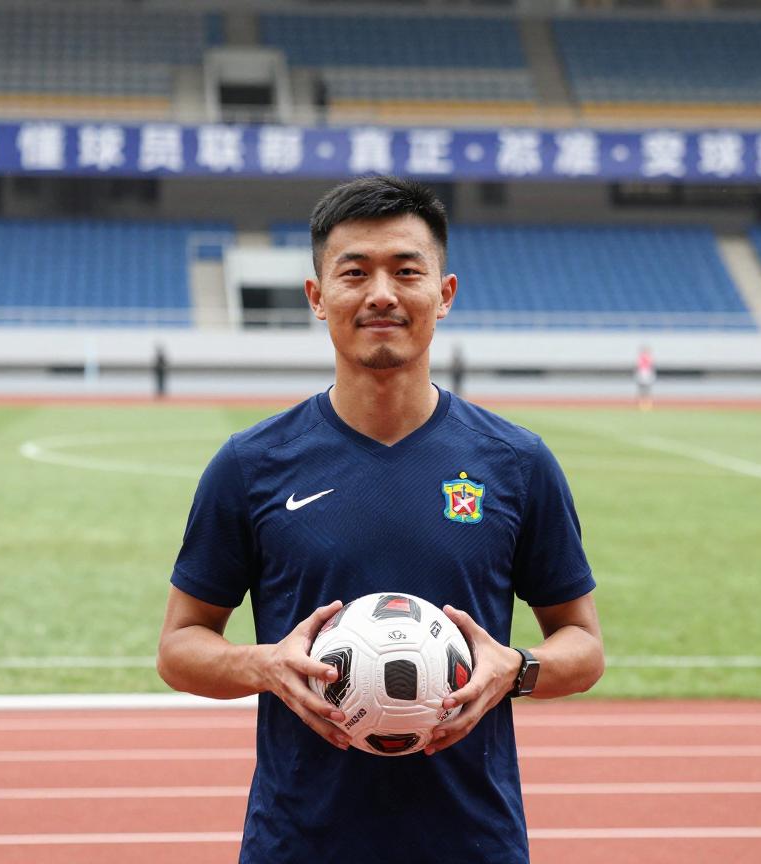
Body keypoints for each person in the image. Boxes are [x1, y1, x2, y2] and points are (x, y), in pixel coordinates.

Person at [156, 176, 603, 864]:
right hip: (299, 845)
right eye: (355, 272)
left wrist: (514, 669)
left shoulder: (517, 463)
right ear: (317, 297)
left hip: (472, 845)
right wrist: (262, 664)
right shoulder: (251, 465)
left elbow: (584, 647)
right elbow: (179, 647)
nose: (382, 294)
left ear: (444, 294)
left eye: (406, 271)